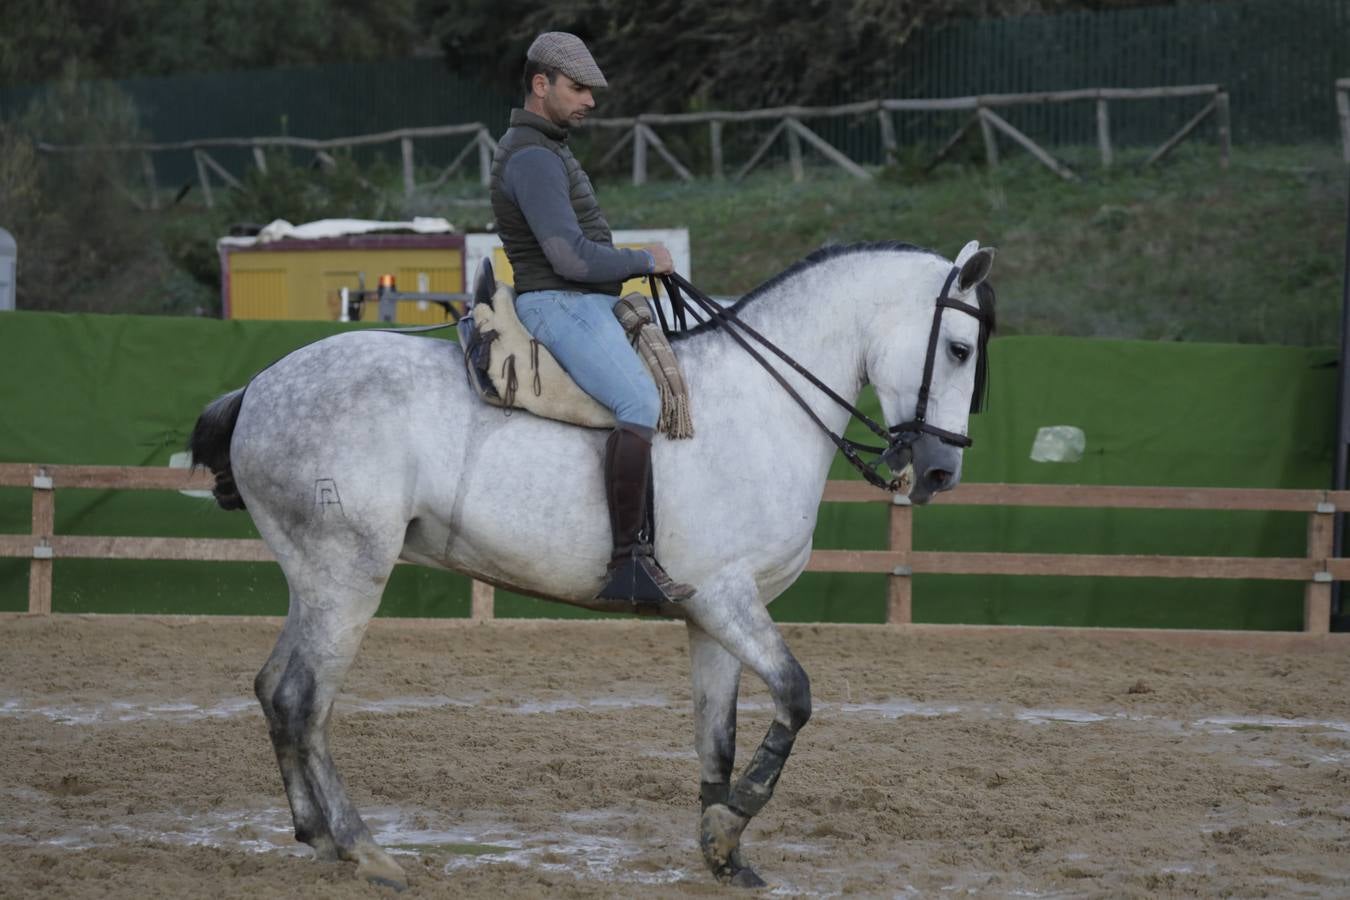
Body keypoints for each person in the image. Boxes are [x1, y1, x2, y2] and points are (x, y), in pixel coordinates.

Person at [489, 31, 694, 605]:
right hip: (558, 302)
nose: (590, 101)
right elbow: (569, 258)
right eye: (578, 88)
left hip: (577, 300)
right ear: (541, 84)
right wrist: (642, 259)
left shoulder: (546, 146)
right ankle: (629, 562)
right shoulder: (532, 157)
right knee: (640, 404)